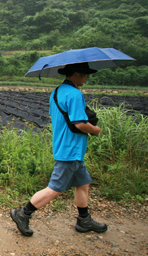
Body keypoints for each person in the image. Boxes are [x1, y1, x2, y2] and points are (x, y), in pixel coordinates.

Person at [10, 62, 107, 236]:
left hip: (68, 147)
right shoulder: (75, 94)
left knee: (83, 184)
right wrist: (95, 130)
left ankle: (84, 220)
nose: (86, 77)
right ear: (76, 74)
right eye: (85, 74)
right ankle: (23, 214)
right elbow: (79, 123)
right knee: (55, 188)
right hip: (71, 149)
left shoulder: (56, 92)